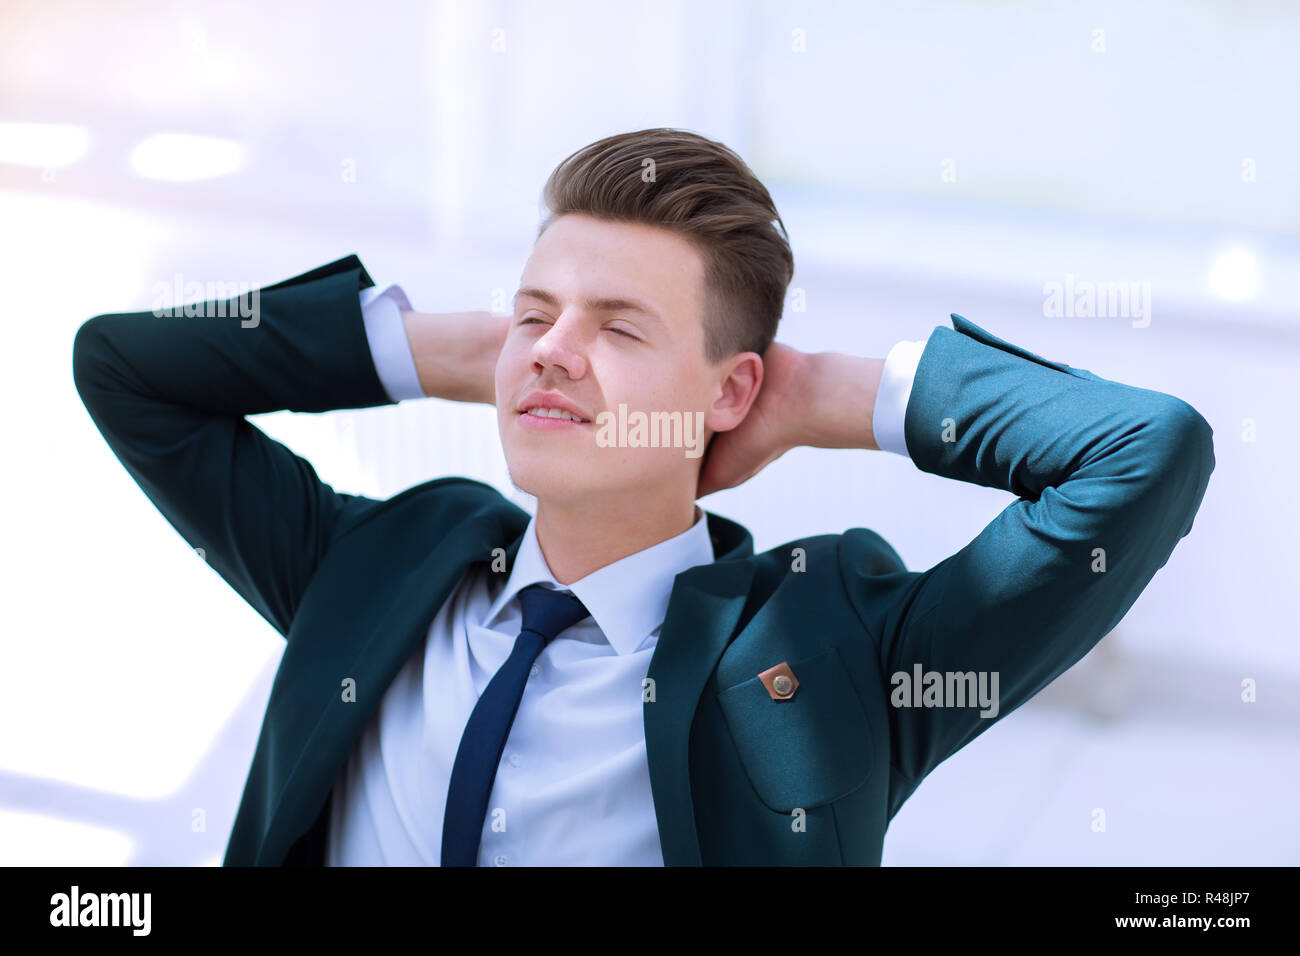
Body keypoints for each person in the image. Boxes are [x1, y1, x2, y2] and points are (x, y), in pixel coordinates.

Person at [71, 128, 1214, 866]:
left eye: (618, 326)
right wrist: (451, 349)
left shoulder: (832, 652)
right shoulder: (377, 565)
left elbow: (1143, 454)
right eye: (534, 312)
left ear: (734, 390)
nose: (556, 351)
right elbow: (126, 369)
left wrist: (822, 394)